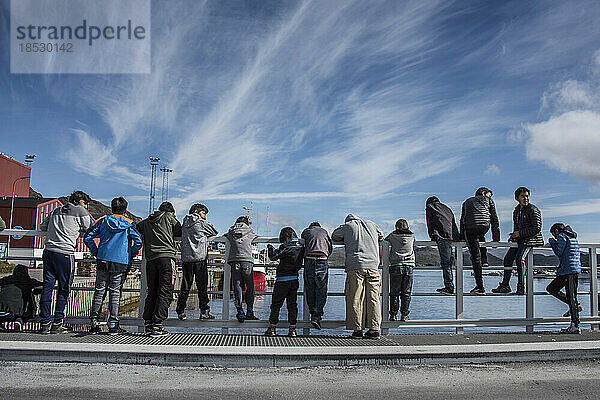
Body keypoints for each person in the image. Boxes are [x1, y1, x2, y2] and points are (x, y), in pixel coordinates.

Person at [84, 197, 142, 335]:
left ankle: (93, 323)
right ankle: (113, 325)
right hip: (120, 261)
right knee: (115, 292)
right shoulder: (129, 224)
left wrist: (96, 251)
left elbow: (88, 237)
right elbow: (138, 241)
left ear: (112, 208)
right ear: (125, 209)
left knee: (99, 291)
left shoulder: (104, 221)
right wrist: (130, 254)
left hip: (103, 258)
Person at [39, 190, 92, 334]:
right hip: (65, 253)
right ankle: (57, 323)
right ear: (77, 201)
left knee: (47, 287)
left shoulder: (56, 210)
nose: (86, 206)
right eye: (84, 203)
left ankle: (44, 323)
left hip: (48, 251)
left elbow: (43, 227)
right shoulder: (80, 211)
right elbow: (88, 228)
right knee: (64, 288)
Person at [332, 214, 384, 339]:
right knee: (374, 298)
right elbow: (381, 236)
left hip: (356, 265)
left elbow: (335, 236)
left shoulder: (347, 226)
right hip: (373, 265)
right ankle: (374, 329)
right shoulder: (372, 223)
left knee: (355, 297)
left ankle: (357, 330)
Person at [136, 202, 182, 337]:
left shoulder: (146, 221)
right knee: (165, 291)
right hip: (166, 258)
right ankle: (158, 325)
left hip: (151, 260)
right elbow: (179, 230)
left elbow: (137, 227)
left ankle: (149, 322)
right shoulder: (168, 216)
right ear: (171, 212)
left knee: (152, 291)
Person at [492, 187, 543, 295]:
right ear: (517, 198)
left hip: (530, 240)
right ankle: (505, 285)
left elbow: (537, 228)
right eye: (523, 196)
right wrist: (514, 236)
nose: (526, 198)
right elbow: (517, 227)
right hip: (520, 240)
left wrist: (520, 233)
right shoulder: (516, 211)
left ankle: (521, 286)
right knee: (507, 259)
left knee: (520, 259)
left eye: (527, 196)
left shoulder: (533, 209)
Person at [176, 203, 218, 321]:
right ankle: (204, 311)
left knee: (185, 286)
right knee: (202, 286)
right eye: (204, 213)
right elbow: (215, 231)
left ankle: (180, 310)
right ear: (196, 211)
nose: (205, 216)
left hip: (187, 259)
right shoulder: (201, 223)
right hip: (200, 258)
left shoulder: (184, 223)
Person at [265, 227, 304, 337]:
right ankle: (292, 330)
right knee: (292, 305)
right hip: (294, 279)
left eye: (283, 240)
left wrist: (270, 248)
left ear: (286, 238)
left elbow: (273, 256)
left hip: (282, 280)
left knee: (276, 304)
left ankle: (272, 328)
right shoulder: (301, 246)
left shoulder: (287, 248)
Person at [460, 187, 500, 295]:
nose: (489, 197)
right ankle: (485, 260)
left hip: (470, 228)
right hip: (484, 226)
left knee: (475, 257)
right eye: (489, 195)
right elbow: (494, 219)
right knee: (481, 235)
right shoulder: (489, 201)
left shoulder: (467, 201)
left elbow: (462, 220)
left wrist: (461, 238)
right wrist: (496, 239)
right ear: (483, 193)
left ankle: (480, 287)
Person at [547, 223, 582, 334]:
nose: (554, 237)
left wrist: (552, 242)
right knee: (553, 289)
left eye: (553, 234)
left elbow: (559, 251)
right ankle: (576, 309)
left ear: (556, 231)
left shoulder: (562, 236)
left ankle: (575, 326)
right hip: (572, 270)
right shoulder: (573, 237)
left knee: (570, 297)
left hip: (568, 271)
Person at [224, 216, 259, 322]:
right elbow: (256, 237)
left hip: (234, 261)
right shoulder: (249, 231)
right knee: (250, 287)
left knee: (237, 287)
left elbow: (225, 236)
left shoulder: (231, 231)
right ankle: (249, 311)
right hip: (247, 261)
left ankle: (240, 311)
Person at [301, 221, 332, 329]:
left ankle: (312, 313)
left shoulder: (306, 231)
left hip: (309, 259)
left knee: (310, 288)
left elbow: (302, 243)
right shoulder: (324, 231)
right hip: (322, 259)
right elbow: (330, 248)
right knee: (321, 289)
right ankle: (317, 315)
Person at [425, 196, 459, 295]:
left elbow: (429, 223)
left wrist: (432, 236)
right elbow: (453, 223)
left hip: (442, 236)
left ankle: (449, 287)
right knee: (449, 262)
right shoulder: (447, 208)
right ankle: (450, 285)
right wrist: (457, 237)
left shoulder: (430, 207)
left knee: (446, 263)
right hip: (451, 236)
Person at [385, 219, 415, 322]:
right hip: (409, 266)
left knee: (394, 293)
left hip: (396, 266)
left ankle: (393, 315)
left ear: (396, 227)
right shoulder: (412, 236)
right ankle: (404, 315)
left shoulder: (393, 236)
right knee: (406, 293)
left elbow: (385, 239)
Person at [0, 264, 43, 331]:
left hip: (2, 311)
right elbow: (42, 285)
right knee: (25, 301)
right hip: (15, 314)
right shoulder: (28, 281)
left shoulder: (6, 280)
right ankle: (19, 321)